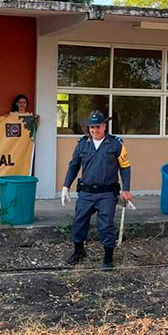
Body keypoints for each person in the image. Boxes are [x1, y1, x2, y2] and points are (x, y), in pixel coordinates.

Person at [61, 110, 132, 269]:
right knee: (79, 222)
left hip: (107, 193)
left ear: (104, 126)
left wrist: (126, 189)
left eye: (98, 127)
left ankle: (108, 258)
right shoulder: (82, 144)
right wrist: (66, 186)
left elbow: (125, 167)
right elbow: (74, 166)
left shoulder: (116, 144)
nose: (94, 130)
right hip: (86, 193)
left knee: (106, 225)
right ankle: (79, 251)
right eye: (91, 127)